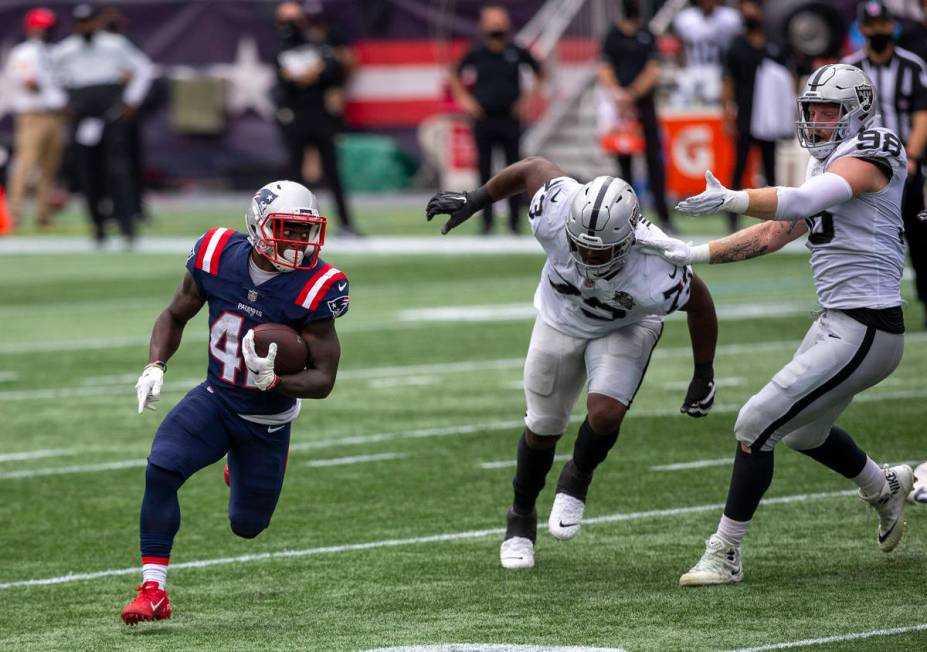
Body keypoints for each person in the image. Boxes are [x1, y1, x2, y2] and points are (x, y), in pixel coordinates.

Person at [637, 64, 915, 586]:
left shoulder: (878, 147)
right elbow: (772, 235)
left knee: (754, 422)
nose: (817, 120)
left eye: (828, 110)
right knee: (805, 432)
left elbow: (807, 202)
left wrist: (736, 197)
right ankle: (885, 487)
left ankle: (725, 552)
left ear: (856, 110)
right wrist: (688, 251)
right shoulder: (825, 163)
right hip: (839, 322)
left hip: (869, 327)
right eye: (812, 110)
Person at [426, 157, 719, 569]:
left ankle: (578, 475)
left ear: (628, 241)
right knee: (543, 426)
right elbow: (532, 168)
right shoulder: (557, 208)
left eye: (599, 252)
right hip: (559, 318)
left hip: (626, 323)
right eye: (579, 245)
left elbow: (700, 302)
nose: (586, 258)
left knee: (605, 412)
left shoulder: (657, 265)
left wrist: (703, 372)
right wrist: (476, 200)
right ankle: (520, 517)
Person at [122, 180, 349, 623]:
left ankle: (243, 465)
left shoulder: (318, 284)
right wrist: (155, 365)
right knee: (161, 468)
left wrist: (276, 381)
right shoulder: (216, 253)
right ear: (258, 225)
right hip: (216, 398)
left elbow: (323, 379)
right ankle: (153, 590)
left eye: (306, 232)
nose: (298, 242)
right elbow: (175, 313)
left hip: (268, 419)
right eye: (287, 229)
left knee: (247, 526)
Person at [843, 0, 927, 328]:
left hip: (909, 169)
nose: (878, 32)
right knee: (868, 240)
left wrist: (913, 158)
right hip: (868, 170)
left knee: (920, 238)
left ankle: (925, 299)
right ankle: (869, 306)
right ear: (861, 29)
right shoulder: (850, 70)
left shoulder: (913, 66)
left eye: (882, 25)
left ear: (891, 26)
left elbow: (923, 116)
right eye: (871, 26)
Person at [51, 3, 153, 247]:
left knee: (118, 171)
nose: (85, 26)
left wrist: (132, 100)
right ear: (75, 25)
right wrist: (59, 102)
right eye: (80, 22)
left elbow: (144, 68)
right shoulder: (65, 50)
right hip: (82, 115)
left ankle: (128, 227)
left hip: (111, 114)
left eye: (89, 21)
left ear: (97, 22)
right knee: (87, 173)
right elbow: (49, 77)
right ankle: (98, 228)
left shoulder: (114, 45)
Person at [448, 4, 545, 235]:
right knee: (484, 170)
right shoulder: (476, 52)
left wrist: (528, 99)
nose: (496, 26)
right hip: (484, 118)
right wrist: (466, 101)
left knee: (516, 171)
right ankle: (487, 223)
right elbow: (455, 75)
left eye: (499, 21)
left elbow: (540, 72)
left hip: (510, 118)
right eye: (491, 21)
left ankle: (514, 223)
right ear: (483, 25)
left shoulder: (516, 50)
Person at [273, 1, 359, 237]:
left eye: (294, 19)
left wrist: (316, 72)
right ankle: (293, 228)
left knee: (333, 173)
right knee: (295, 179)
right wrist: (307, 74)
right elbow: (284, 81)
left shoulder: (317, 46)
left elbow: (333, 71)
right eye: (285, 19)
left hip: (319, 115)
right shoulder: (279, 49)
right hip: (294, 117)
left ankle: (346, 224)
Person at [599, 0, 673, 233]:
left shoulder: (646, 34)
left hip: (644, 106)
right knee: (624, 168)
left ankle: (664, 216)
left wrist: (631, 94)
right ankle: (628, 219)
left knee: (654, 163)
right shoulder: (612, 35)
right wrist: (619, 95)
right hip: (621, 111)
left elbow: (653, 69)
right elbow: (604, 68)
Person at [721, 0, 789, 233]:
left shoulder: (775, 43)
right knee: (739, 165)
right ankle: (731, 214)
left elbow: (786, 80)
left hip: (769, 118)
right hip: (746, 115)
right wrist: (727, 114)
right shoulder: (736, 45)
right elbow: (728, 81)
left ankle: (774, 216)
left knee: (771, 167)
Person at [4, 7, 67, 228]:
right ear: (31, 28)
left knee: (50, 167)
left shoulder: (55, 51)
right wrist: (57, 96)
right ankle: (15, 215)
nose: (46, 32)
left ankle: (44, 215)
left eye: (48, 27)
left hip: (56, 116)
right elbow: (30, 83)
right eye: (42, 27)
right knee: (25, 165)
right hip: (33, 115)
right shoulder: (24, 52)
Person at [671, 0, 742, 106]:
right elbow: (679, 46)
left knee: (714, 98)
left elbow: (737, 45)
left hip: (717, 68)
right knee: (678, 101)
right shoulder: (685, 18)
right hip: (692, 68)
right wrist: (680, 68)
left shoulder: (730, 18)